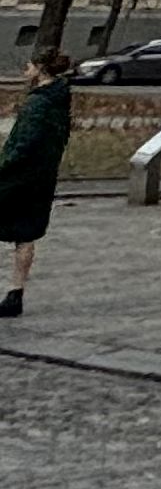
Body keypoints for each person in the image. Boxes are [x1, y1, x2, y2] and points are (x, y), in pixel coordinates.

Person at [0, 48, 75, 318]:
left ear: (41, 70)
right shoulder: (61, 99)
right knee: (26, 234)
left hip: (18, 178)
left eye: (29, 66)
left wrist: (4, 166)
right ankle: (15, 293)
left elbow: (23, 145)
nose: (25, 71)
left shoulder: (37, 103)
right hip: (43, 177)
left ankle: (13, 297)